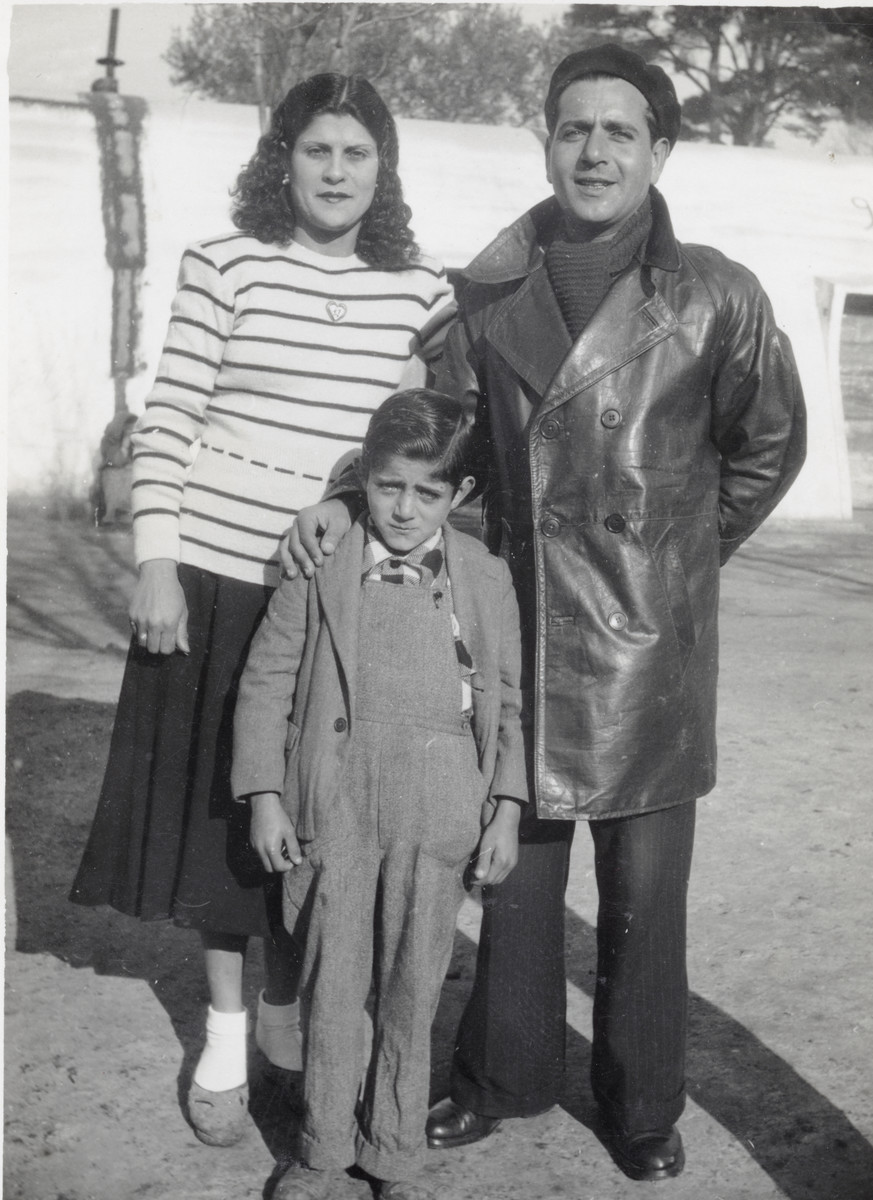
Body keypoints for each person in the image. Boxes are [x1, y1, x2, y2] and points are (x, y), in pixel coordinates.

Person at [283, 45, 807, 1183]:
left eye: (621, 131)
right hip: (519, 636)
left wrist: (674, 561)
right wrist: (342, 496)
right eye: (575, 128)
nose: (596, 151)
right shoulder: (487, 295)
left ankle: (640, 1105)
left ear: (661, 151)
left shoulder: (720, 294)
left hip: (652, 651)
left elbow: (769, 446)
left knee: (644, 896)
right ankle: (504, 1077)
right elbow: (435, 437)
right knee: (512, 875)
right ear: (547, 141)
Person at [68, 73, 456, 1149]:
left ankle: (312, 1034)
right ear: (281, 159)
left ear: (385, 170)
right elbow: (171, 417)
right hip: (209, 576)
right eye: (317, 150)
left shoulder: (420, 291)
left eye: (358, 154)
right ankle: (231, 1041)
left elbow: (425, 440)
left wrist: (343, 500)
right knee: (219, 829)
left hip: (332, 601)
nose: (336, 172)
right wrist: (154, 564)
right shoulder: (222, 264)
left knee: (318, 818)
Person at [231, 389, 527, 1200]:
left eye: (426, 492)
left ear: (458, 495)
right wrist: (264, 793)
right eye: (388, 486)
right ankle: (321, 1151)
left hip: (440, 809)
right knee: (333, 982)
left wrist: (504, 806)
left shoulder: (486, 578)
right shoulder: (322, 563)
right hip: (339, 801)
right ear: (364, 478)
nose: (403, 508)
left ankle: (393, 1154)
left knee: (412, 983)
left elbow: (509, 700)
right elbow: (266, 681)